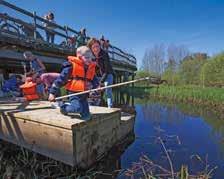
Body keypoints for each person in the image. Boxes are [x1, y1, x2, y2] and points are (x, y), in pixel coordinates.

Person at [48, 46, 97, 120]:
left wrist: (97, 87)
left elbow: (94, 80)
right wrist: (52, 93)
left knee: (87, 116)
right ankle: (64, 108)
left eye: (91, 58)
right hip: (74, 94)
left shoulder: (90, 68)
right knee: (77, 108)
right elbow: (59, 80)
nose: (90, 60)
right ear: (80, 57)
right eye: (87, 57)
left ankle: (80, 110)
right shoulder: (70, 67)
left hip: (84, 95)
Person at [87, 38, 114, 108]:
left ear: (100, 46)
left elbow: (106, 70)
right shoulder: (90, 56)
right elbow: (91, 69)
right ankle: (95, 106)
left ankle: (110, 107)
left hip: (108, 74)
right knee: (94, 89)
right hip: (98, 75)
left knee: (108, 89)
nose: (96, 49)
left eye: (97, 46)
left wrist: (101, 83)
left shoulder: (104, 54)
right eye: (93, 47)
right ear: (91, 48)